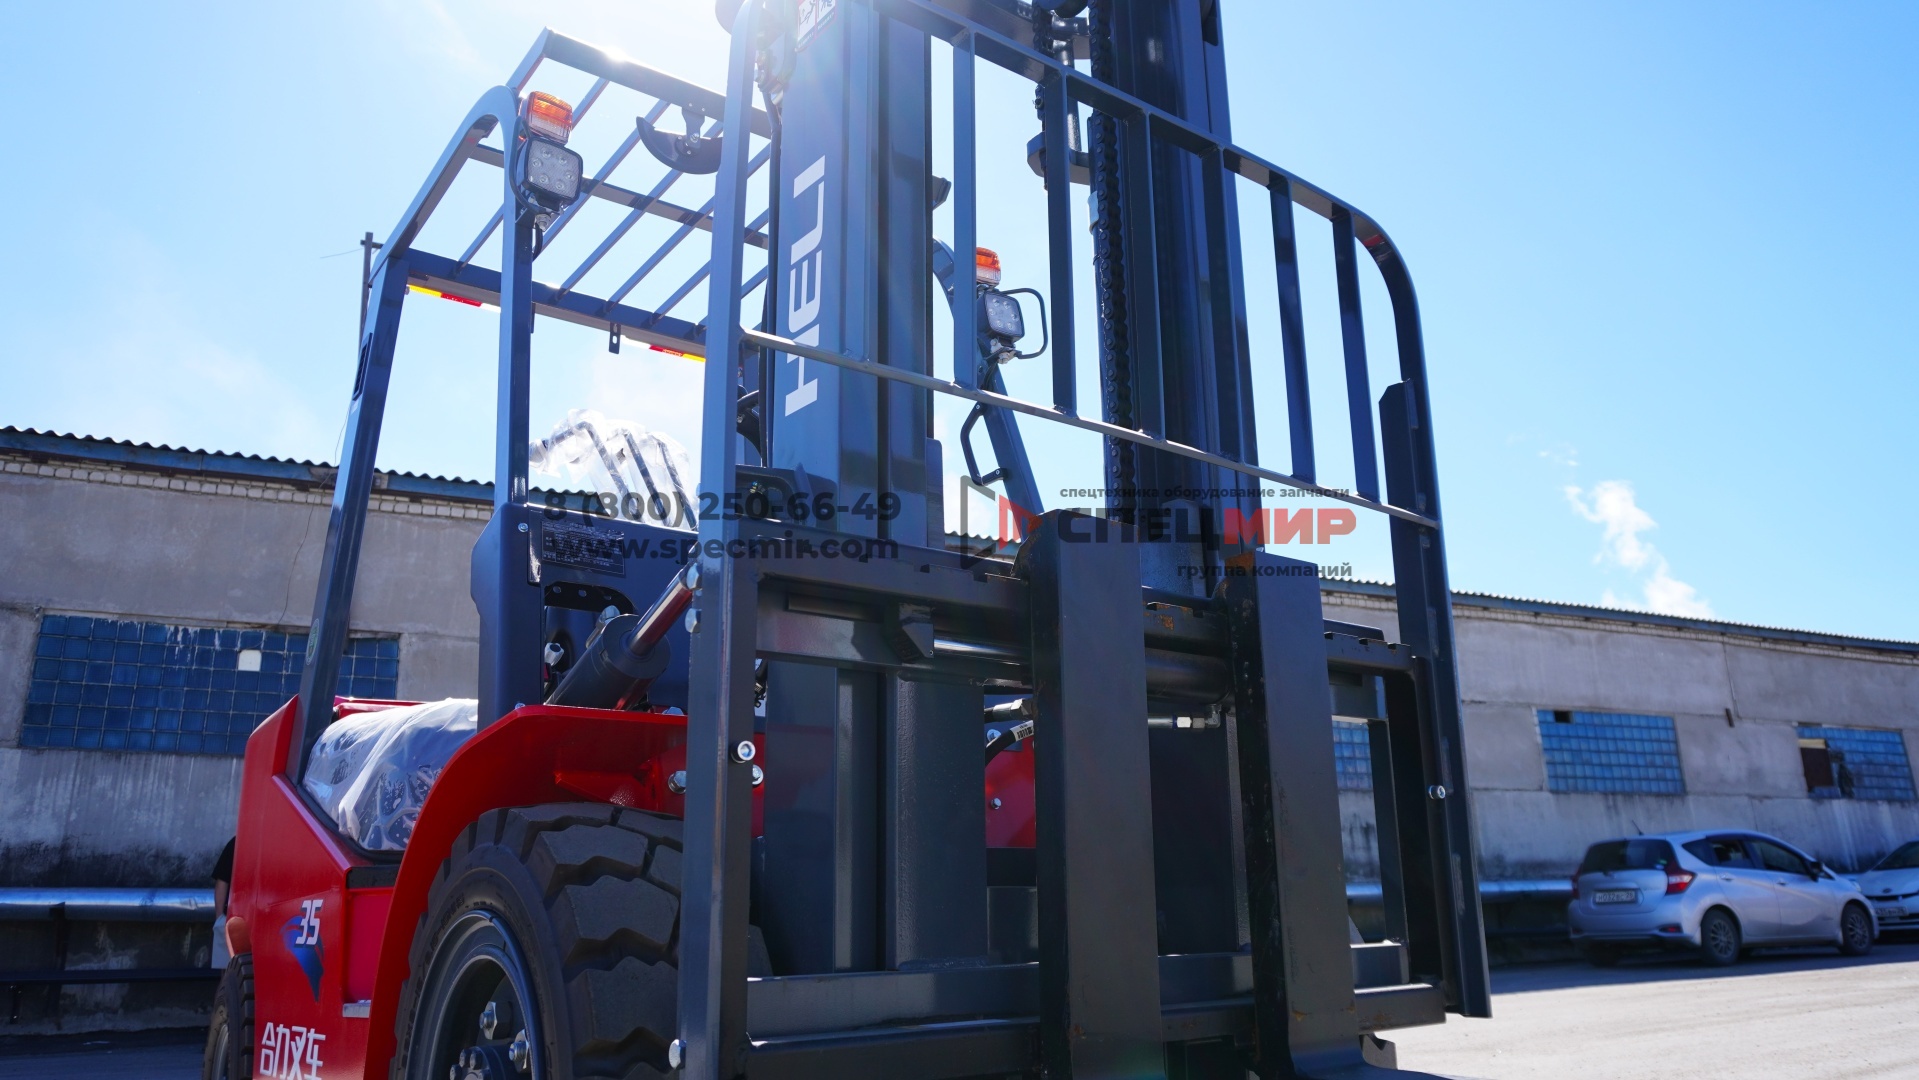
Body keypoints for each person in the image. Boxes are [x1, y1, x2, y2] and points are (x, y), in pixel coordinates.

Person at [210, 836, 235, 970]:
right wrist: (220, 919)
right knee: (229, 973)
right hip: (232, 919)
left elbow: (222, 881)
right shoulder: (237, 843)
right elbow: (222, 881)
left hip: (234, 919)